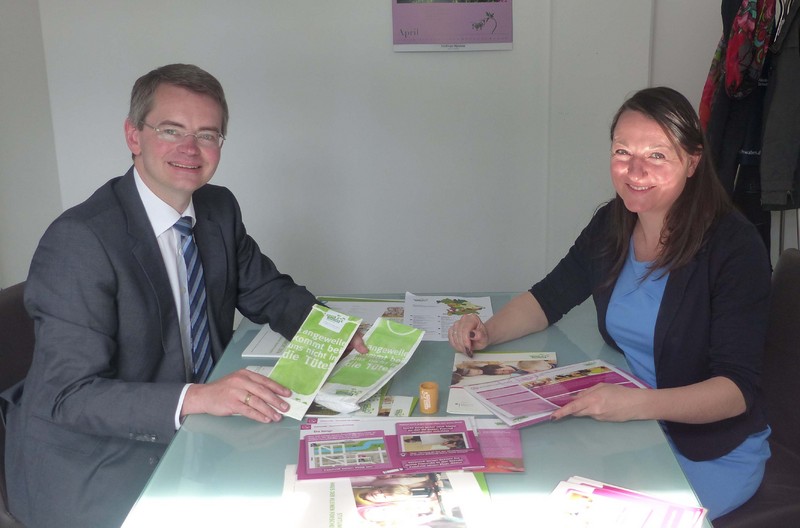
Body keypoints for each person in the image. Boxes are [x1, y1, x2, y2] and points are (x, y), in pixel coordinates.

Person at [1, 63, 366, 528]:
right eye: (171, 130)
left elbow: (268, 292)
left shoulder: (218, 207)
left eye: (208, 135)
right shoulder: (80, 240)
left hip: (198, 429)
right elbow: (69, 396)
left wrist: (338, 331)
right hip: (96, 459)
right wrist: (198, 398)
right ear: (134, 136)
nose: (190, 149)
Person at [448, 87, 771, 520]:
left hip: (707, 449)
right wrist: (489, 330)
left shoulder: (734, 246)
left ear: (692, 162)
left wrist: (634, 405)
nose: (635, 170)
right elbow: (549, 296)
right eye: (623, 151)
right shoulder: (612, 222)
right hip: (633, 424)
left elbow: (735, 391)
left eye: (657, 155)